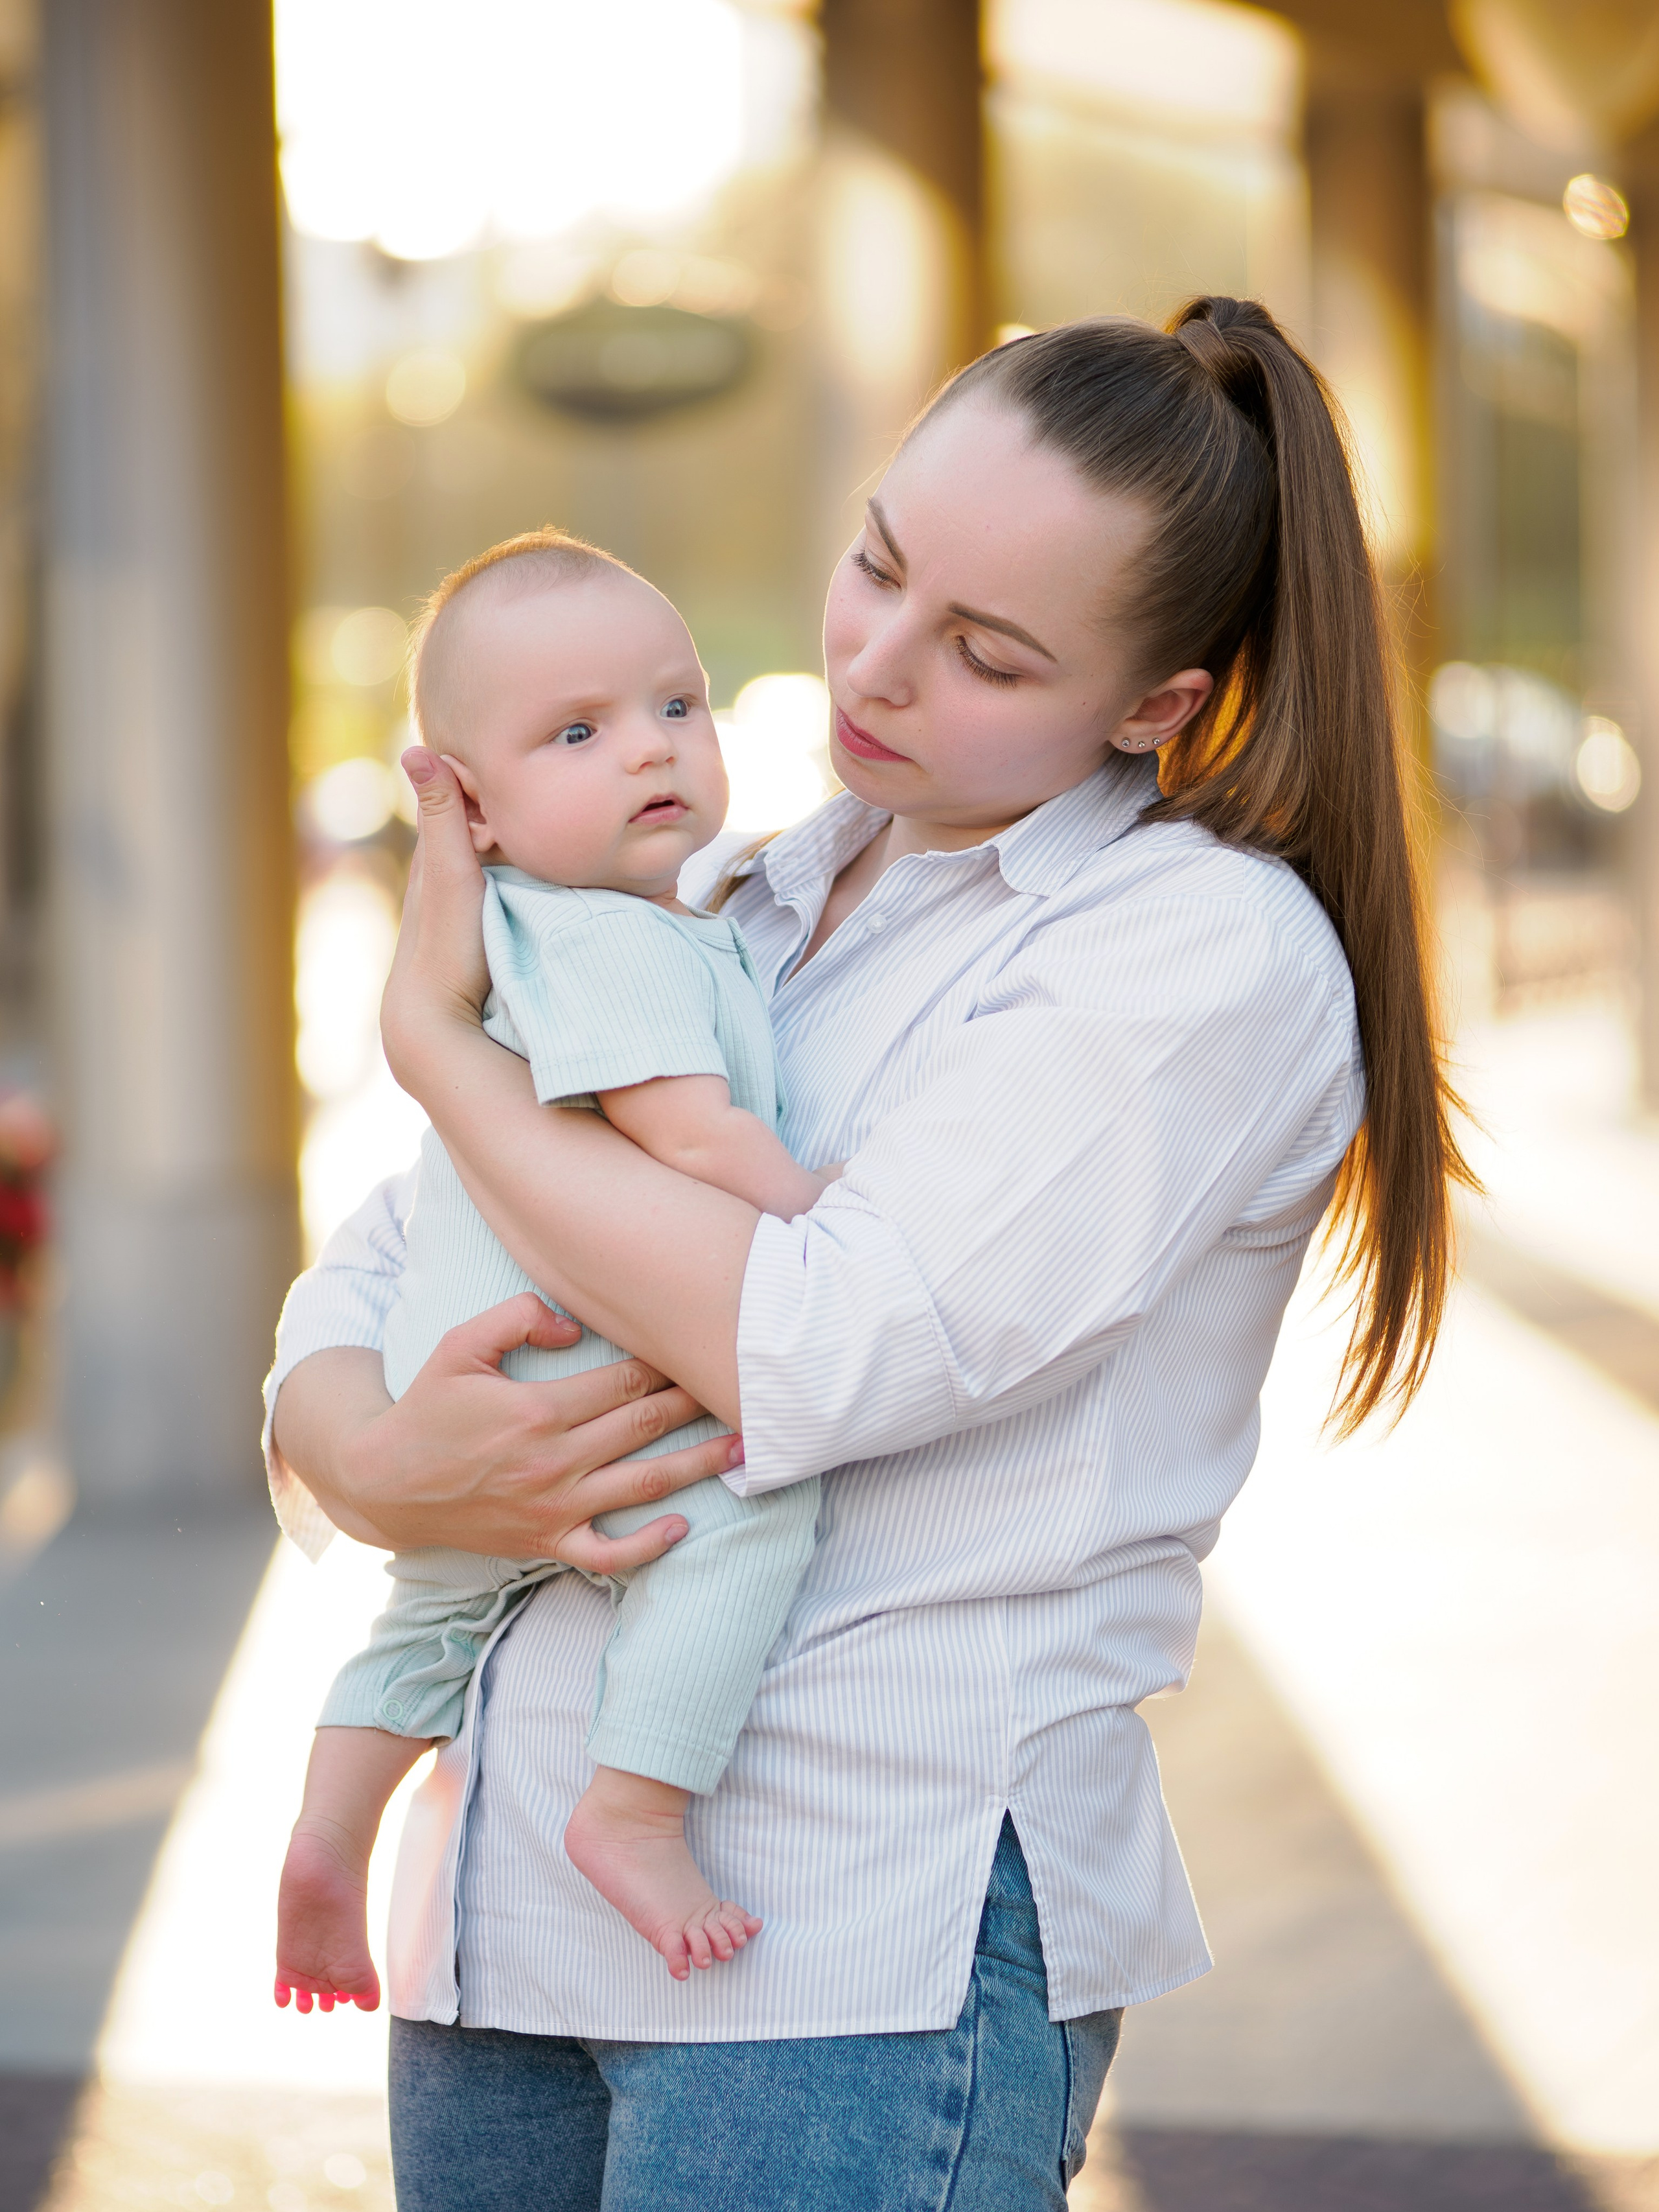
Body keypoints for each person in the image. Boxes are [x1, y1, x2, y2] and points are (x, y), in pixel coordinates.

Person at [265, 299, 1470, 2211]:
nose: (879, 667)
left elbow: (819, 1339)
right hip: (497, 1921)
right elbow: (401, 1245)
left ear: (1154, 703)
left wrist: (438, 1049)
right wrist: (361, 1448)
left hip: (851, 1938)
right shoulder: (741, 890)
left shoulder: (1189, 954)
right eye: (878, 565)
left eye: (986, 652)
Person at [275, 530, 836, 2016]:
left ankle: (329, 1835)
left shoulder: (563, 931)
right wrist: (815, 1202)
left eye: (677, 704)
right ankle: (635, 1811)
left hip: (460, 1377)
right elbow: (688, 1129)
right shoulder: (601, 940)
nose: (651, 752)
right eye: (577, 733)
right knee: (748, 1527)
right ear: (473, 814)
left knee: (429, 1614)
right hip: (566, 1368)